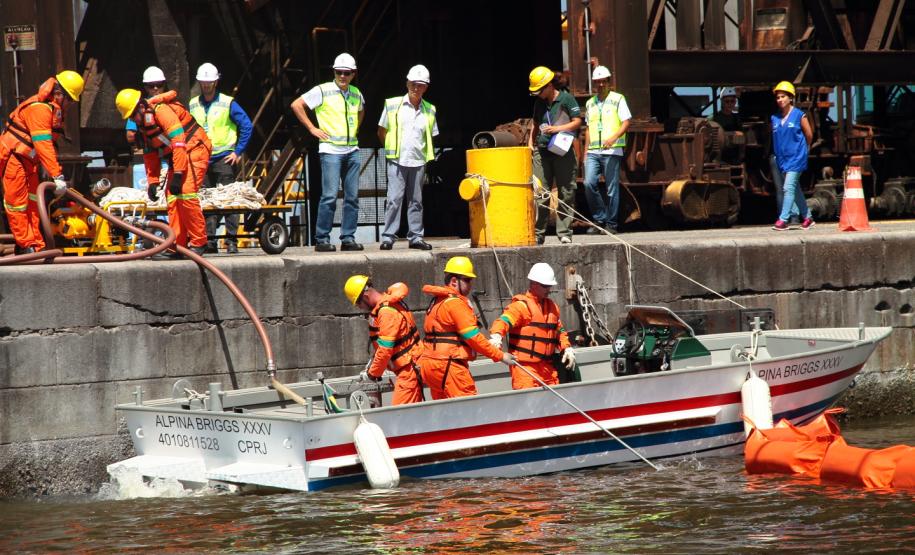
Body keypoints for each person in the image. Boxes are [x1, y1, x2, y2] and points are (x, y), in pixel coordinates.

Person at [115, 88, 212, 254]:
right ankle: (177, 245)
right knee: (172, 198)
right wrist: (152, 181)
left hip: (195, 148)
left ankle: (199, 242)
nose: (133, 120)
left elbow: (179, 141)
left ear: (141, 107)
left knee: (186, 193)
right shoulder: (144, 126)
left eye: (133, 115)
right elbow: (150, 154)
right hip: (179, 155)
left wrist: (179, 173)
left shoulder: (162, 111)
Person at [0, 71, 84, 253]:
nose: (70, 105)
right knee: (17, 203)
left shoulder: (53, 110)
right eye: (69, 100)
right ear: (59, 94)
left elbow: (49, 144)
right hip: (14, 158)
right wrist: (57, 174)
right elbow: (43, 144)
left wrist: (52, 170)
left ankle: (35, 244)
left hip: (29, 161)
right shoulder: (40, 109)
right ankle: (25, 245)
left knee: (32, 202)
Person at [290, 52, 365, 252]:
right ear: (334, 71)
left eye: (346, 73)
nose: (342, 76)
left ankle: (348, 238)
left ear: (353, 74)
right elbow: (297, 105)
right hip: (331, 150)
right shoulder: (323, 90)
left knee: (352, 197)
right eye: (339, 72)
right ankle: (322, 238)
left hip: (352, 150)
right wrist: (312, 129)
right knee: (329, 196)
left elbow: (361, 110)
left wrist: (355, 129)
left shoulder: (357, 93)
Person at [419, 256, 516, 400]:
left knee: (443, 413)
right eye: (467, 280)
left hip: (430, 366)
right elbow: (473, 338)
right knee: (467, 409)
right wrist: (500, 355)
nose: (471, 284)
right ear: (454, 281)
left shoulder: (437, 301)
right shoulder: (455, 303)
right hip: (450, 366)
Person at [189, 62, 253, 254]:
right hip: (201, 159)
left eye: (210, 82)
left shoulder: (227, 102)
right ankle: (210, 241)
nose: (206, 85)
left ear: (216, 82)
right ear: (200, 82)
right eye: (204, 82)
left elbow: (246, 125)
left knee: (229, 201)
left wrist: (237, 152)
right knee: (206, 200)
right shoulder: (193, 104)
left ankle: (231, 240)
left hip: (224, 158)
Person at [376, 64, 438, 251]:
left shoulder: (430, 110)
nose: (416, 88)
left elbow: (431, 135)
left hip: (418, 160)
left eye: (420, 85)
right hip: (397, 159)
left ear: (426, 87)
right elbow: (381, 131)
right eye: (413, 84)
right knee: (394, 199)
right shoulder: (393, 104)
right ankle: (388, 237)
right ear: (407, 83)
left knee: (416, 201)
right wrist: (390, 148)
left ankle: (416, 237)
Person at [488, 263, 575, 389]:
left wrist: (566, 348)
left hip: (548, 368)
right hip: (525, 369)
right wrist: (496, 336)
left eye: (549, 286)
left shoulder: (553, 307)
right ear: (533, 284)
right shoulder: (521, 307)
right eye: (545, 286)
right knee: (528, 404)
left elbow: (560, 331)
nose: (548, 289)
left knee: (554, 404)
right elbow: (503, 321)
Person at [344, 274, 425, 405]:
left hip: (409, 372)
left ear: (365, 296)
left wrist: (372, 375)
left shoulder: (386, 313)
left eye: (358, 303)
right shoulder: (385, 307)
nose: (359, 307)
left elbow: (385, 350)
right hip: (408, 369)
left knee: (400, 416)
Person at [528, 66, 583, 245]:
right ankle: (538, 234)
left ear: (549, 86)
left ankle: (564, 232)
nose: (537, 94)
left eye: (539, 90)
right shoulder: (539, 103)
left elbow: (577, 122)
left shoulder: (567, 99)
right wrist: (531, 142)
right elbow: (535, 125)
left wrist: (557, 129)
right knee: (540, 193)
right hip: (542, 152)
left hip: (563, 152)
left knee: (566, 191)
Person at [582, 65, 630, 235]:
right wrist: (585, 153)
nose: (601, 84)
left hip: (612, 150)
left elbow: (626, 122)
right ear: (594, 84)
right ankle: (600, 218)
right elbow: (588, 128)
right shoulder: (590, 103)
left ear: (609, 82)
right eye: (598, 82)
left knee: (611, 188)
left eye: (604, 81)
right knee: (588, 183)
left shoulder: (618, 99)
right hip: (594, 151)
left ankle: (611, 224)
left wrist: (613, 138)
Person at [770, 81, 814, 231]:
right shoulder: (774, 118)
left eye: (783, 97)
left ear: (790, 98)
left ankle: (783, 220)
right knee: (795, 190)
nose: (780, 100)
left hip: (796, 157)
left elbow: (809, 134)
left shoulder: (799, 115)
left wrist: (804, 150)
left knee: (788, 188)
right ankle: (808, 217)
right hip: (782, 159)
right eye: (778, 97)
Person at [126, 66, 169, 146]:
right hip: (153, 152)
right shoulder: (138, 109)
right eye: (151, 86)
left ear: (164, 85)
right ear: (146, 87)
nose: (156, 88)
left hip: (172, 149)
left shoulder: (172, 104)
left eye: (159, 85)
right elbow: (130, 136)